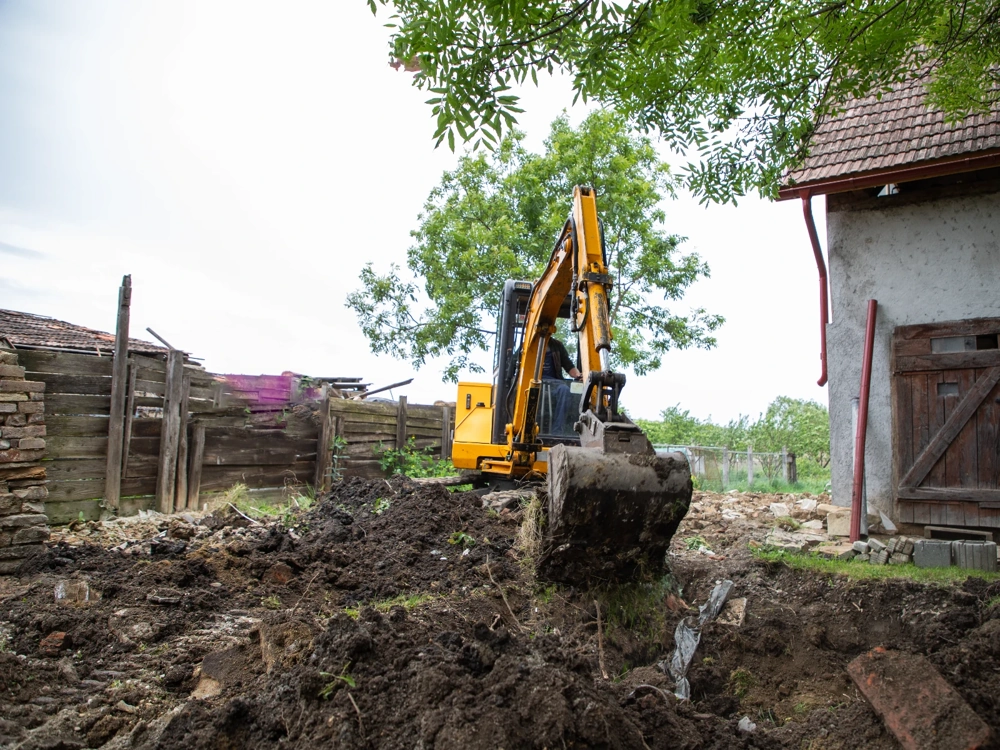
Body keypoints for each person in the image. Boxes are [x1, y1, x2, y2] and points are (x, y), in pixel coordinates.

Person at [542, 337, 582, 435]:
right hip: (533, 381)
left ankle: (557, 431)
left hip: (554, 383)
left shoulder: (557, 345)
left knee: (565, 389)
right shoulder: (526, 344)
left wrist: (580, 376)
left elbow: (569, 366)